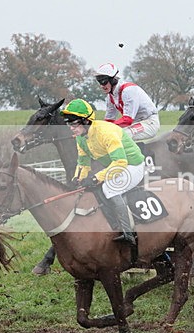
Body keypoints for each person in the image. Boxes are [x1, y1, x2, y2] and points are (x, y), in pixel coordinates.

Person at [61, 98, 146, 243]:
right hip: (118, 166)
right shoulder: (80, 138)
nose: (71, 127)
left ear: (86, 121)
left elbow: (120, 162)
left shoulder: (106, 132)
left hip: (133, 165)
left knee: (109, 189)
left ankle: (129, 233)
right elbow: (83, 163)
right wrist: (78, 178)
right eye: (69, 123)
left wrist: (95, 178)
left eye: (74, 123)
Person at [95, 62, 160, 141]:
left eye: (103, 81)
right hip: (135, 123)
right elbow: (109, 121)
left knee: (122, 135)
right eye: (99, 82)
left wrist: (105, 128)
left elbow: (127, 120)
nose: (102, 86)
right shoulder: (110, 97)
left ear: (113, 80)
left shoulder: (128, 91)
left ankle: (136, 154)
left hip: (149, 123)